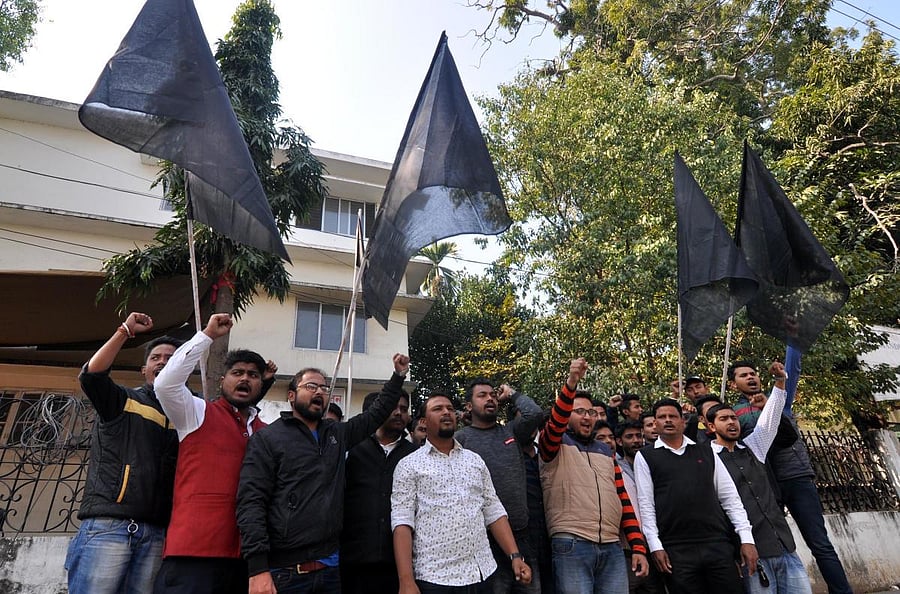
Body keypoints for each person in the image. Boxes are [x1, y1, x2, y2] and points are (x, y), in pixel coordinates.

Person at [237, 354, 410, 594]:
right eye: (311, 386)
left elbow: (376, 414)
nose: (319, 391)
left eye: (324, 388)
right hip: (284, 573)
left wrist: (398, 376)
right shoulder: (268, 439)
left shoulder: (337, 435)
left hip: (330, 570)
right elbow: (251, 502)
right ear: (291, 396)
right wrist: (257, 569)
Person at [152, 313, 270, 594]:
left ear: (261, 384)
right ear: (221, 380)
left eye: (253, 375)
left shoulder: (268, 432)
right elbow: (165, 385)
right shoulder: (196, 413)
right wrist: (207, 335)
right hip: (193, 554)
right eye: (237, 373)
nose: (245, 378)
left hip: (248, 559)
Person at [65, 313, 181, 594]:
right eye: (156, 358)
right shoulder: (123, 400)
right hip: (109, 526)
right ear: (144, 369)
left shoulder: (187, 414)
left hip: (158, 533)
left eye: (171, 358)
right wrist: (125, 331)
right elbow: (92, 375)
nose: (163, 362)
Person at [392, 392, 533, 594]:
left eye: (450, 409)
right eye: (438, 409)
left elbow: (493, 510)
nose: (446, 412)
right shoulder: (409, 466)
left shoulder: (474, 460)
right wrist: (406, 580)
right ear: (423, 421)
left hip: (483, 572)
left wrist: (515, 556)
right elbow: (402, 523)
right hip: (436, 578)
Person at [741, 347, 853, 594]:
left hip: (796, 477)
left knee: (820, 544)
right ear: (733, 383)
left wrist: (792, 340)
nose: (750, 378)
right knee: (777, 545)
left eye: (753, 373)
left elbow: (792, 368)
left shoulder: (779, 399)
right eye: (743, 375)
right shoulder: (734, 415)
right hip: (766, 487)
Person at [539, 358, 648, 594]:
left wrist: (638, 546)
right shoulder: (553, 444)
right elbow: (556, 423)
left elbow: (622, 499)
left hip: (612, 544)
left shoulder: (605, 451)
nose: (587, 417)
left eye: (590, 412)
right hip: (572, 542)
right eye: (578, 411)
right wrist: (572, 382)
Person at [706, 361, 813, 594]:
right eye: (723, 419)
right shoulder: (707, 460)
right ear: (711, 427)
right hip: (752, 555)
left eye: (733, 418)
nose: (731, 422)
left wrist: (780, 381)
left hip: (785, 548)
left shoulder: (754, 446)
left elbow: (770, 418)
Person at [634, 398, 758, 594]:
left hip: (717, 542)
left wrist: (746, 539)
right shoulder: (645, 456)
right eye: (662, 417)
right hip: (675, 548)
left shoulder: (706, 451)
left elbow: (730, 499)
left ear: (683, 421)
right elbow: (646, 505)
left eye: (673, 416)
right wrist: (655, 546)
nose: (668, 420)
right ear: (655, 423)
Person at [456, 379, 544, 594]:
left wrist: (511, 393)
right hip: (484, 541)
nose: (490, 399)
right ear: (468, 406)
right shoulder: (460, 440)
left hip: (522, 535)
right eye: (482, 395)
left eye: (493, 395)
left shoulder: (511, 432)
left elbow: (534, 414)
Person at [340, 389, 417, 594]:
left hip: (399, 566)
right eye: (393, 407)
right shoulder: (351, 450)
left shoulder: (415, 456)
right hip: (354, 562)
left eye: (404, 409)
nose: (399, 413)